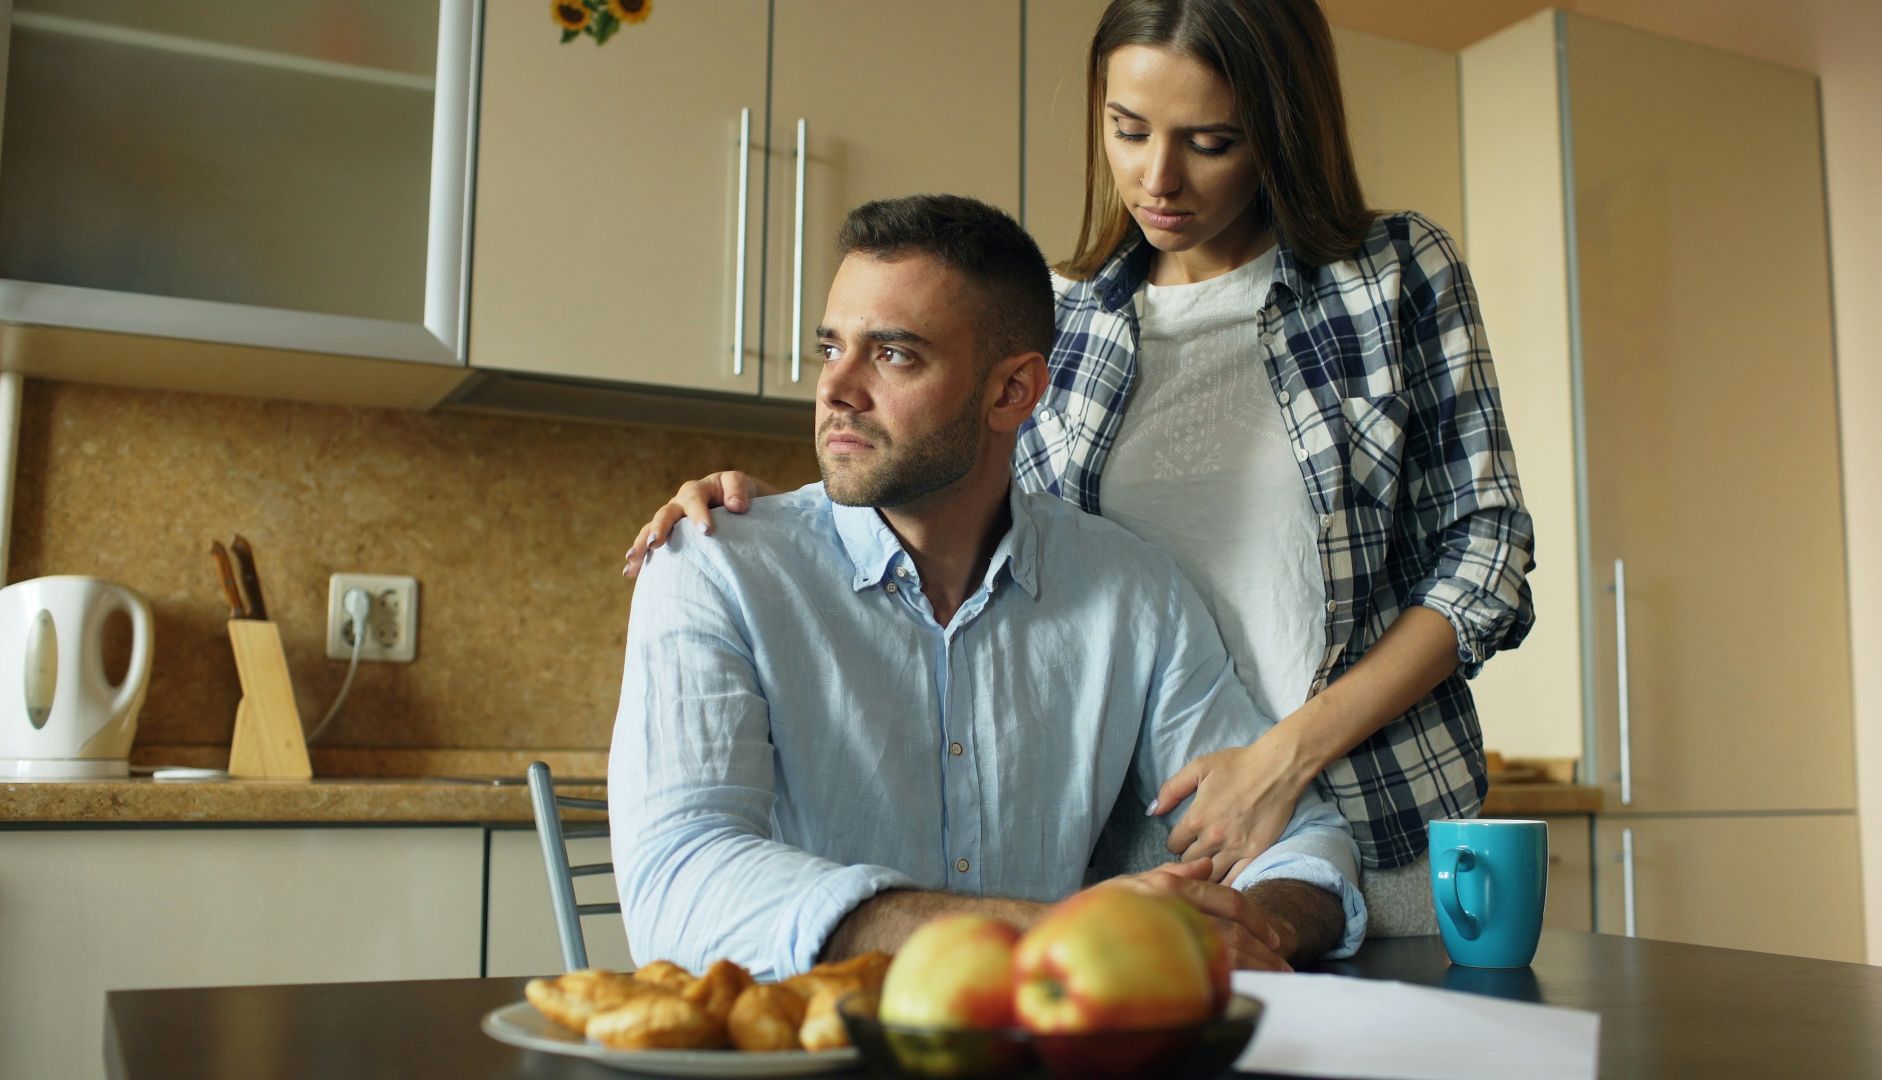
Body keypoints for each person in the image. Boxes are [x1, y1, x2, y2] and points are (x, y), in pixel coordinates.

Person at [623, 0, 1533, 934]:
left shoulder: (1390, 275)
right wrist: (778, 528)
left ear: (1280, 134)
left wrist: (1283, 757)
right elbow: (971, 506)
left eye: (1211, 141)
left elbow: (1488, 551)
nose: (1157, 177)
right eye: (1128, 130)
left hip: (1363, 814)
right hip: (1138, 835)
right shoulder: (1075, 314)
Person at [609, 194, 1366, 980]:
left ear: (1013, 392)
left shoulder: (1131, 592)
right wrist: (1045, 932)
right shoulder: (712, 564)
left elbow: (1304, 846)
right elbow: (677, 886)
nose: (837, 387)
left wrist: (1253, 928)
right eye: (830, 347)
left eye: (894, 354)